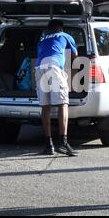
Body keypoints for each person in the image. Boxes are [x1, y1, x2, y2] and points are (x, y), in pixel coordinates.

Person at [35, 20, 79, 156]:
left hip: (39, 68)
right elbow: (75, 56)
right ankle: (63, 142)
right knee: (62, 104)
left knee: (45, 106)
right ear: (61, 28)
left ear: (49, 30)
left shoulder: (42, 40)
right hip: (54, 67)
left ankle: (49, 145)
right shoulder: (65, 36)